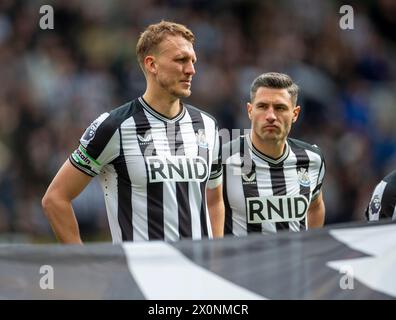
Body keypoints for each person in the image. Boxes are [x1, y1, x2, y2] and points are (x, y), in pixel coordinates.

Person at [42, 21, 224, 243]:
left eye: (193, 61)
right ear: (152, 64)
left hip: (199, 275)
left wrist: (217, 259)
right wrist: (82, 262)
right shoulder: (114, 126)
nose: (191, 69)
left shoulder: (208, 126)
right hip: (141, 276)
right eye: (180, 60)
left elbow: (214, 199)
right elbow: (55, 198)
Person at [222, 72, 325, 236]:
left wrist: (311, 250)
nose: (270, 116)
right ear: (250, 111)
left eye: (280, 108)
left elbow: (315, 207)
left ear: (295, 114)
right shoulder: (223, 158)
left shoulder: (312, 159)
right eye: (262, 106)